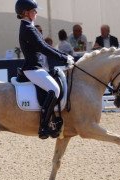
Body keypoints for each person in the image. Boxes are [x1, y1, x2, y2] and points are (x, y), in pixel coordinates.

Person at [15, 0, 74, 139]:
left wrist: (64, 56)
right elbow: (43, 48)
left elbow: (44, 46)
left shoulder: (30, 26)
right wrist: (63, 58)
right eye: (34, 10)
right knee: (54, 90)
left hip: (39, 68)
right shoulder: (27, 28)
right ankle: (44, 126)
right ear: (25, 12)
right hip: (32, 68)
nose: (36, 13)